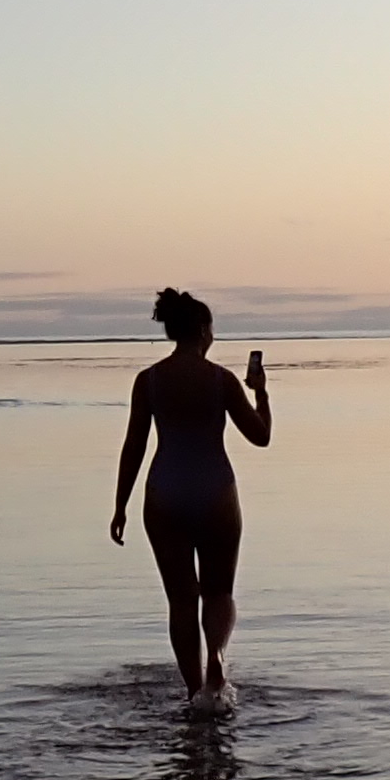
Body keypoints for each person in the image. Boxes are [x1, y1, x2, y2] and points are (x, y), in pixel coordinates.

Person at [109, 287, 271, 698]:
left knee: (182, 601)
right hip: (215, 490)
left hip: (165, 493)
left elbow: (134, 445)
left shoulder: (148, 382)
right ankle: (215, 655)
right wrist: (261, 392)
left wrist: (120, 506)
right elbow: (261, 436)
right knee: (219, 593)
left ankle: (195, 692)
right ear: (202, 331)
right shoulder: (223, 380)